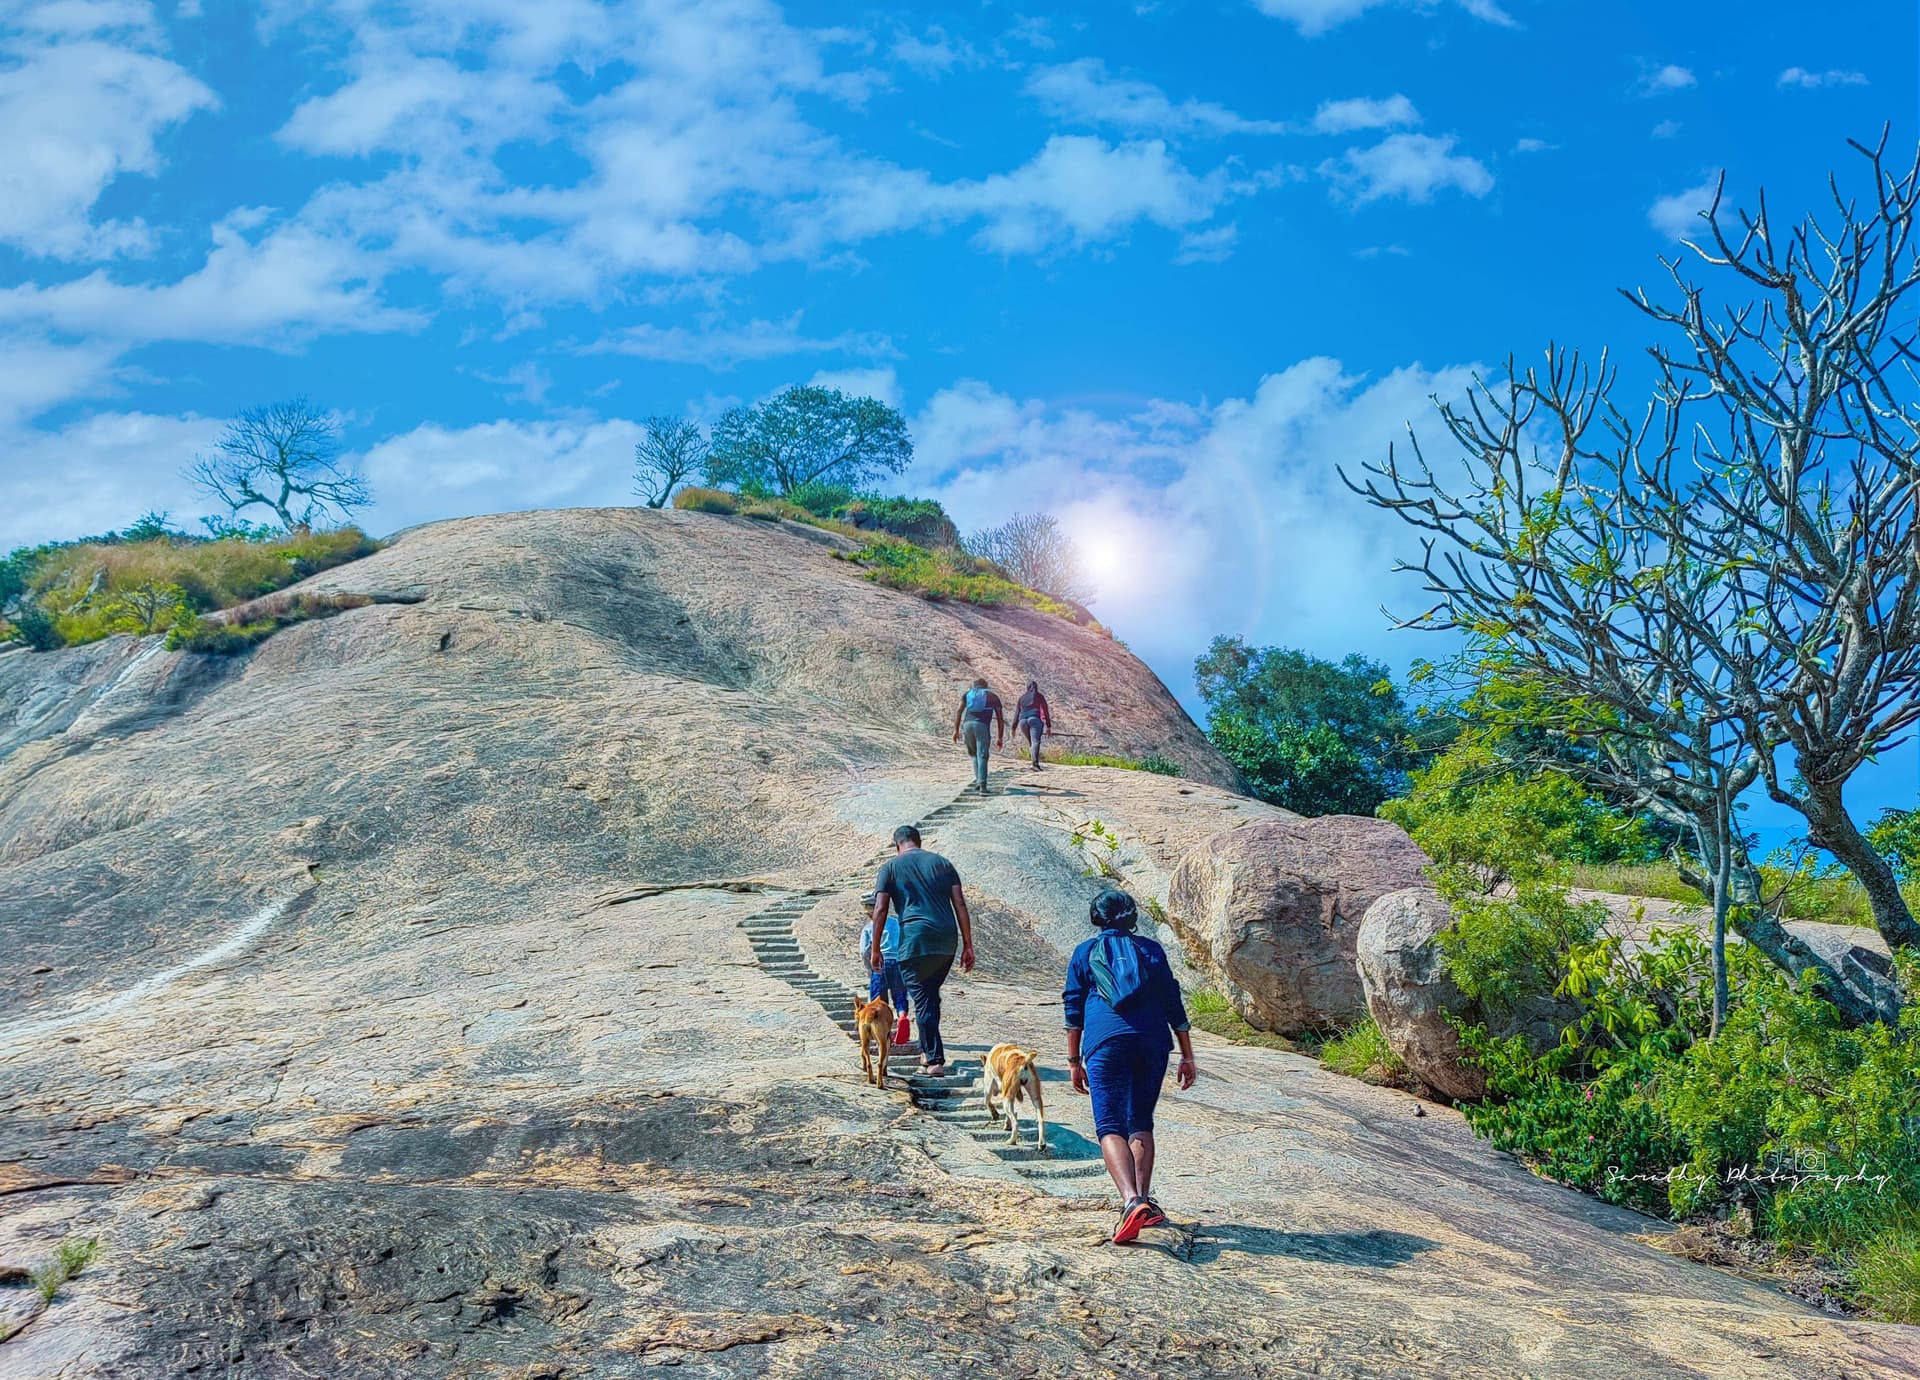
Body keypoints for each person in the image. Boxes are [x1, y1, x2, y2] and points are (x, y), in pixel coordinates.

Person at [1062, 887, 1197, 1245]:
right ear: (1132, 916)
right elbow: (1173, 1002)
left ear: (1096, 918)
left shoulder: (1086, 952)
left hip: (1105, 1042)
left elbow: (1073, 1008)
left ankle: (1132, 1201)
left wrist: (1074, 1061)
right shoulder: (1150, 950)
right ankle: (1145, 1202)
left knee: (1110, 1126)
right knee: (1140, 1121)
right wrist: (1187, 1055)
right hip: (1153, 1041)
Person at [869, 824, 975, 1076]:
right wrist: (968, 944)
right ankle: (927, 1051)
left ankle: (935, 1059)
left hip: (915, 941)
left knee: (923, 997)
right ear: (919, 841)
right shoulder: (943, 863)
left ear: (897, 846)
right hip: (946, 941)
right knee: (930, 995)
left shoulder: (890, 868)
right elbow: (959, 903)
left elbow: (880, 909)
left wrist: (875, 948)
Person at [859, 902, 914, 1047]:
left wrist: (870, 968)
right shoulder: (896, 923)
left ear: (868, 913)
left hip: (880, 963)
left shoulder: (869, 928)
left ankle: (883, 1032)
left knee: (878, 1001)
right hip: (898, 962)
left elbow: (864, 951)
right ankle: (902, 1017)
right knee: (900, 994)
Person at [951, 678, 1004, 795]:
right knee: (982, 755)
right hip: (982, 726)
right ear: (986, 686)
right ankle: (983, 787)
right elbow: (1000, 718)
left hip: (967, 725)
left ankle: (978, 782)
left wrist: (956, 730)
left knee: (974, 754)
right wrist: (1000, 737)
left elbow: (959, 711)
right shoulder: (992, 696)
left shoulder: (967, 694)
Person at [1015, 679, 1051, 770]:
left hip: (1022, 721)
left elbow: (1017, 713)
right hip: (1034, 719)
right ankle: (1035, 764)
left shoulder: (1022, 698)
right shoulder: (1039, 696)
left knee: (1031, 742)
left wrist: (1013, 727)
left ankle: (1033, 761)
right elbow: (1045, 711)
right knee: (1035, 741)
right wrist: (1048, 726)